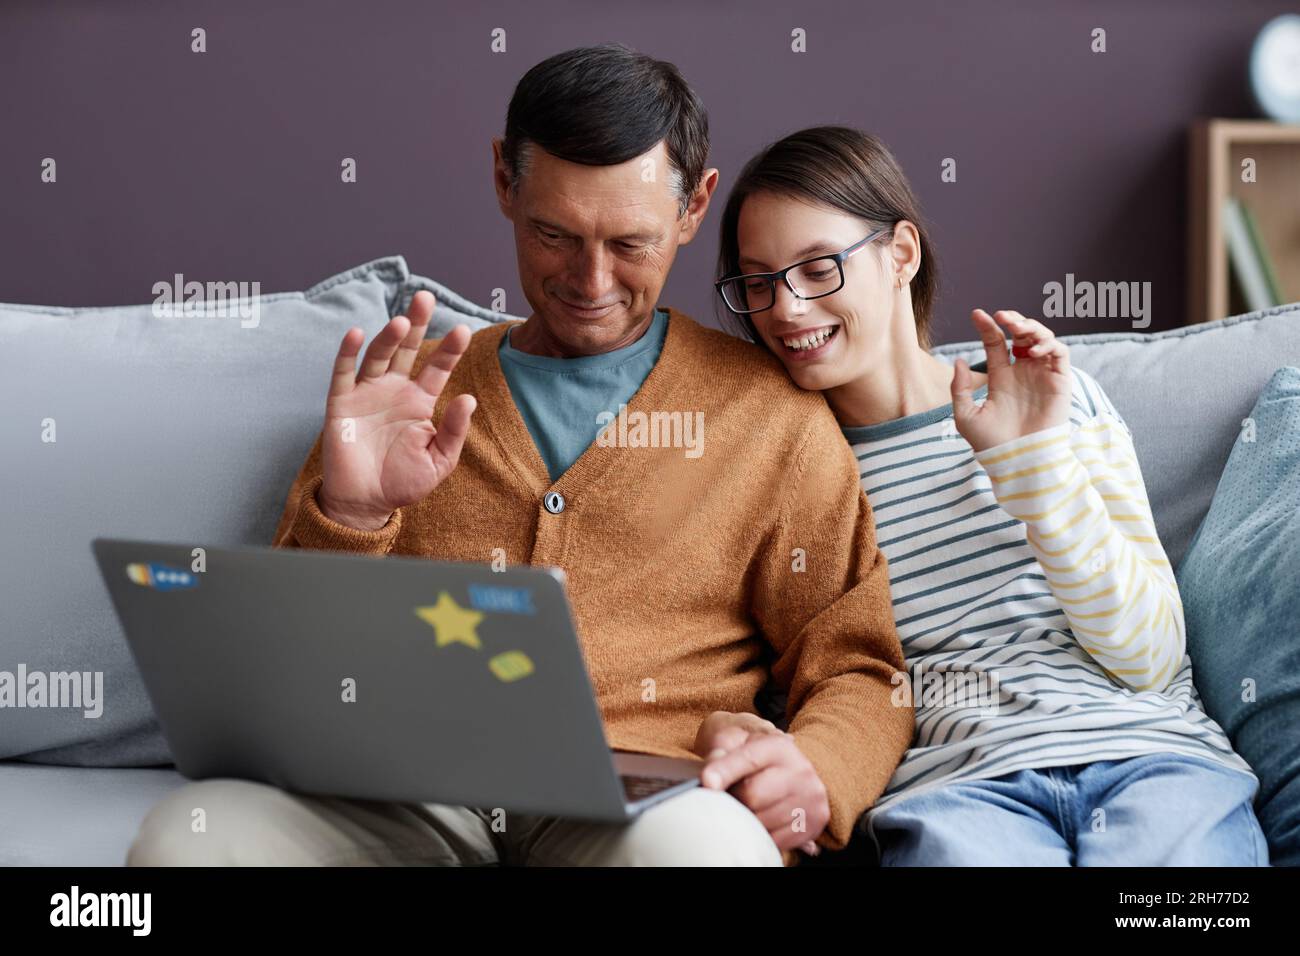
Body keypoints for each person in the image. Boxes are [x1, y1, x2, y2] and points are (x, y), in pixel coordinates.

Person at [125, 48, 912, 867]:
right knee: (190, 841)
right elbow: (275, 677)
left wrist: (815, 768)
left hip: (651, 802)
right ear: (504, 181)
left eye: (631, 243)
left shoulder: (771, 417)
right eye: (553, 234)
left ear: (694, 207)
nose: (591, 280)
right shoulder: (401, 395)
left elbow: (857, 663)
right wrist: (352, 514)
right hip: (400, 792)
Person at [714, 125, 1269, 865]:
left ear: (901, 254)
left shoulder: (1052, 402)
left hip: (1155, 760)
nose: (786, 310)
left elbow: (1150, 657)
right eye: (759, 281)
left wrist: (1031, 465)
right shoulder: (791, 478)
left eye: (818, 269)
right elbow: (820, 685)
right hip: (959, 795)